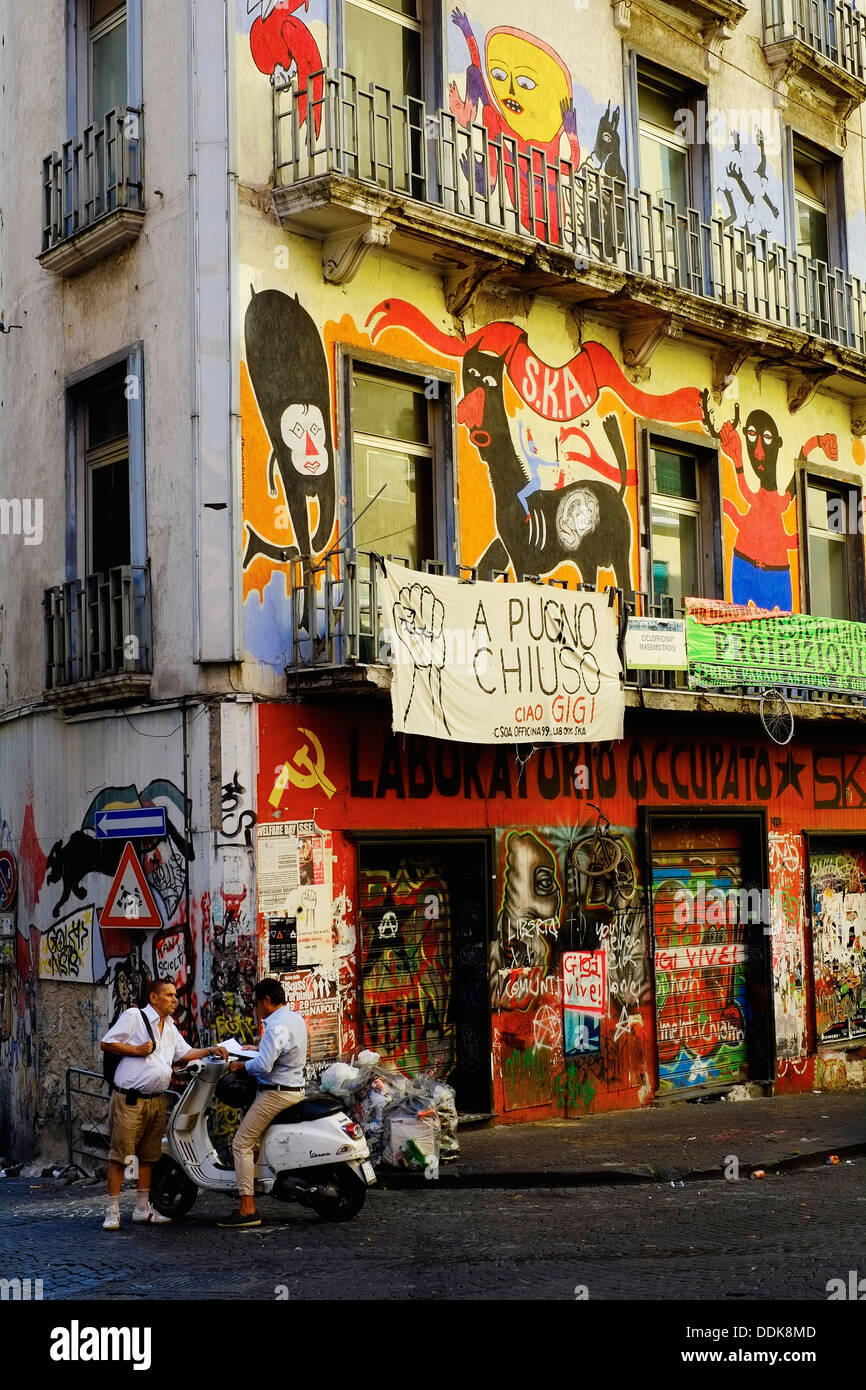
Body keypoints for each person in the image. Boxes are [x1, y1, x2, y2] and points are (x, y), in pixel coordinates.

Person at [100, 979, 227, 1231]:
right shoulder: (134, 1016)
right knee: (121, 1156)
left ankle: (142, 1208)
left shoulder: (169, 1026)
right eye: (169, 995)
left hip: (157, 1100)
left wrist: (211, 1049)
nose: (174, 999)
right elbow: (107, 1042)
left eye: (175, 995)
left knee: (148, 1156)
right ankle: (112, 1211)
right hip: (130, 1099)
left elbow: (184, 1053)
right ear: (154, 998)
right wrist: (136, 1050)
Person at [217, 978, 308, 1229]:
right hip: (293, 1088)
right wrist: (255, 1049)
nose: (255, 1008)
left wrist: (240, 1065)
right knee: (254, 1142)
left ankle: (247, 1209)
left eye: (256, 1003)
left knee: (241, 1142)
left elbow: (264, 1066)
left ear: (267, 1001)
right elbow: (277, 1054)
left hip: (276, 1093)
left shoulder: (276, 1026)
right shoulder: (294, 1019)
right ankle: (254, 1185)